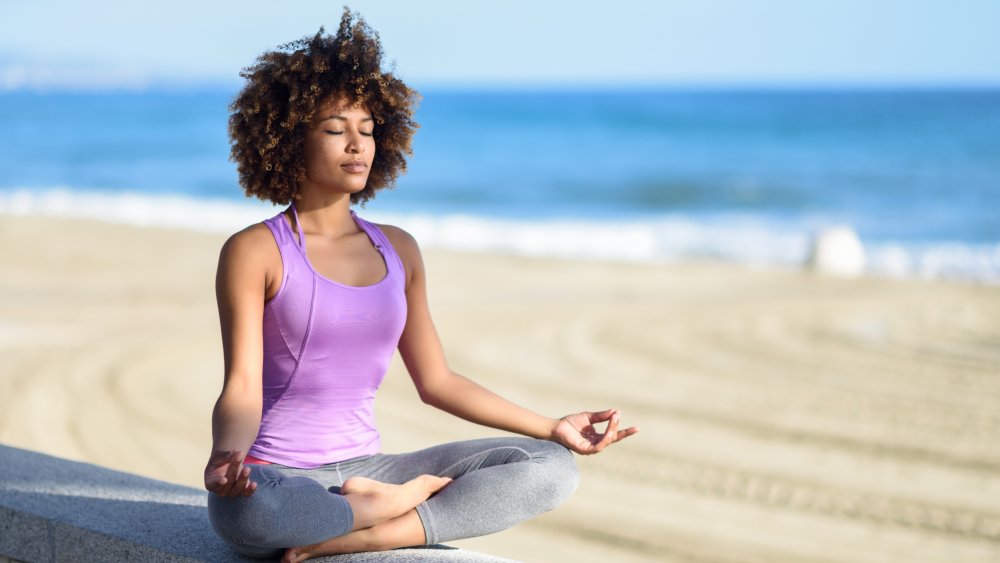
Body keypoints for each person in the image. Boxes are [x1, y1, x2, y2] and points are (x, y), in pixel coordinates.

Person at [204, 9, 639, 562]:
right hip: (282, 476)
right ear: (290, 140)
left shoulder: (399, 249)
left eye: (367, 130)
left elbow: (437, 381)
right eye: (336, 130)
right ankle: (392, 506)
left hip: (370, 469)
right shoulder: (255, 250)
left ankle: (377, 526)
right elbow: (242, 386)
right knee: (248, 515)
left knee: (551, 469)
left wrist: (553, 427)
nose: (357, 145)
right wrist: (228, 457)